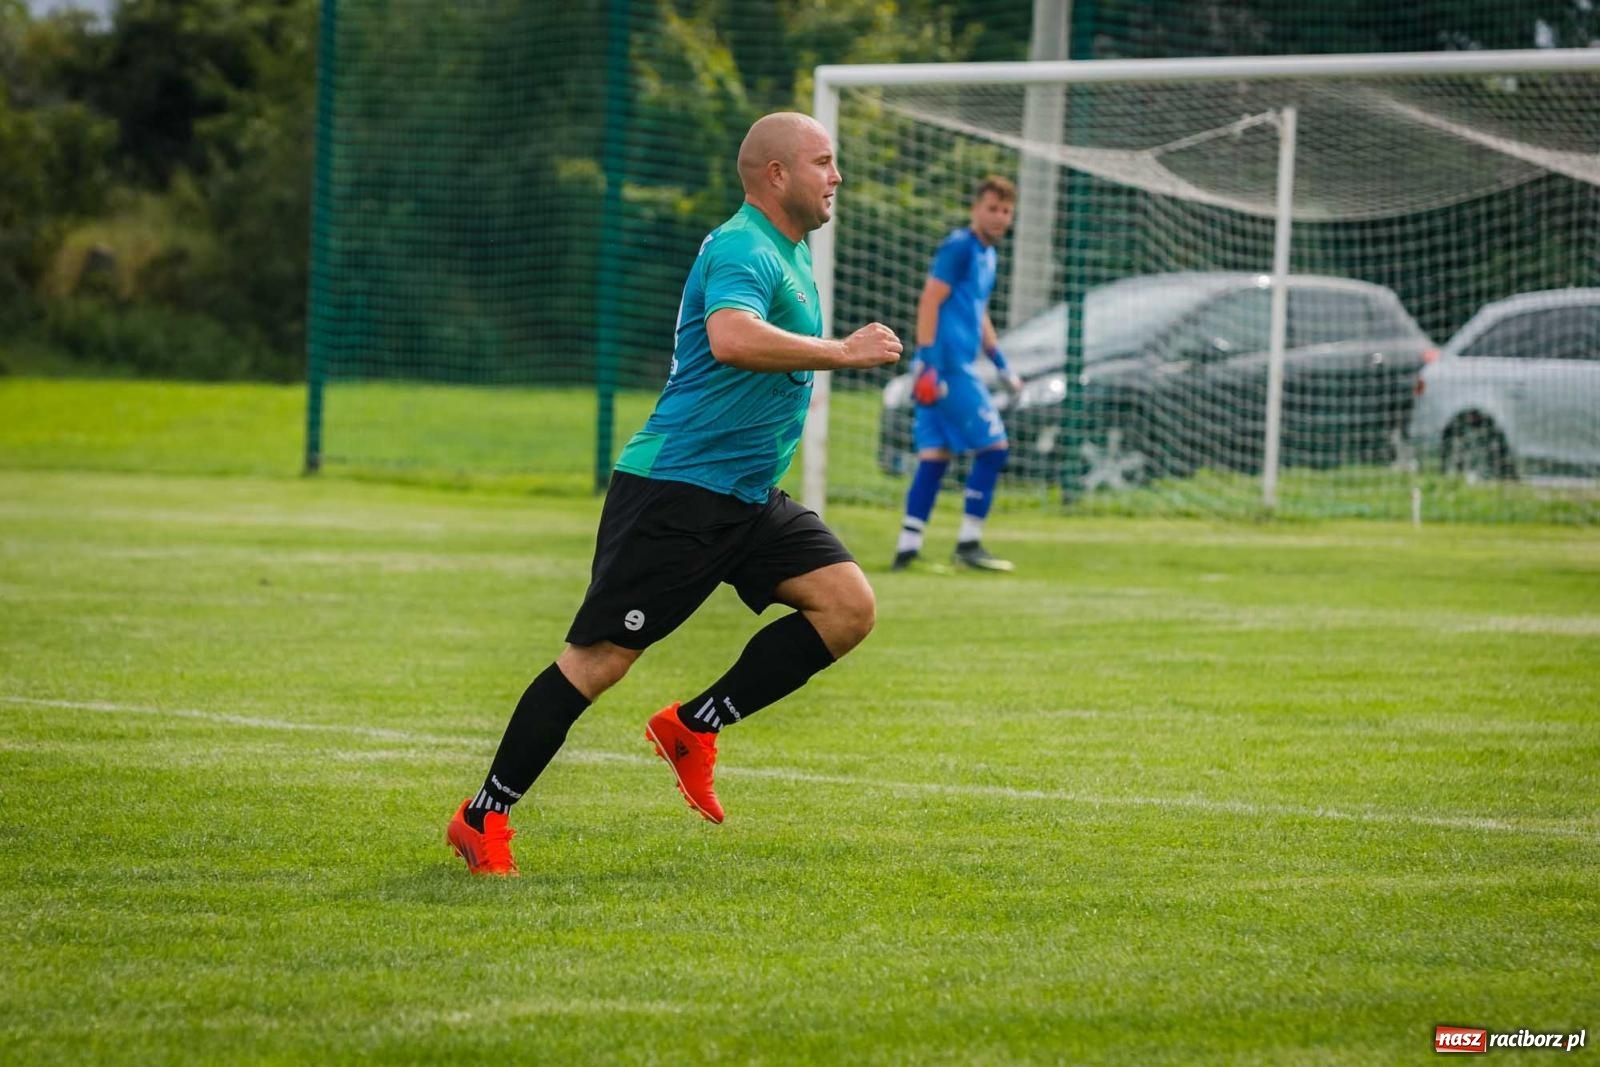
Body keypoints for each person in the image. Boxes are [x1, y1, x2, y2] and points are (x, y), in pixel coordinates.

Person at [446, 112, 904, 876]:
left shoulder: (790, 254)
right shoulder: (742, 247)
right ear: (776, 175)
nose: (838, 177)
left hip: (747, 496)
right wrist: (841, 352)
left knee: (847, 605)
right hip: (677, 491)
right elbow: (730, 337)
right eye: (824, 162)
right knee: (597, 662)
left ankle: (694, 726)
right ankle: (482, 815)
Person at [892, 176, 1020, 573]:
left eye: (1005, 210)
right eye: (992, 208)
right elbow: (930, 299)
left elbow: (977, 312)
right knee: (994, 449)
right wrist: (929, 363)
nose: (998, 217)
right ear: (975, 209)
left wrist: (1002, 366)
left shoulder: (988, 255)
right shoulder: (961, 246)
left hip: (947, 366)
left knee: (935, 457)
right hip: (947, 368)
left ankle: (907, 548)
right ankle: (968, 543)